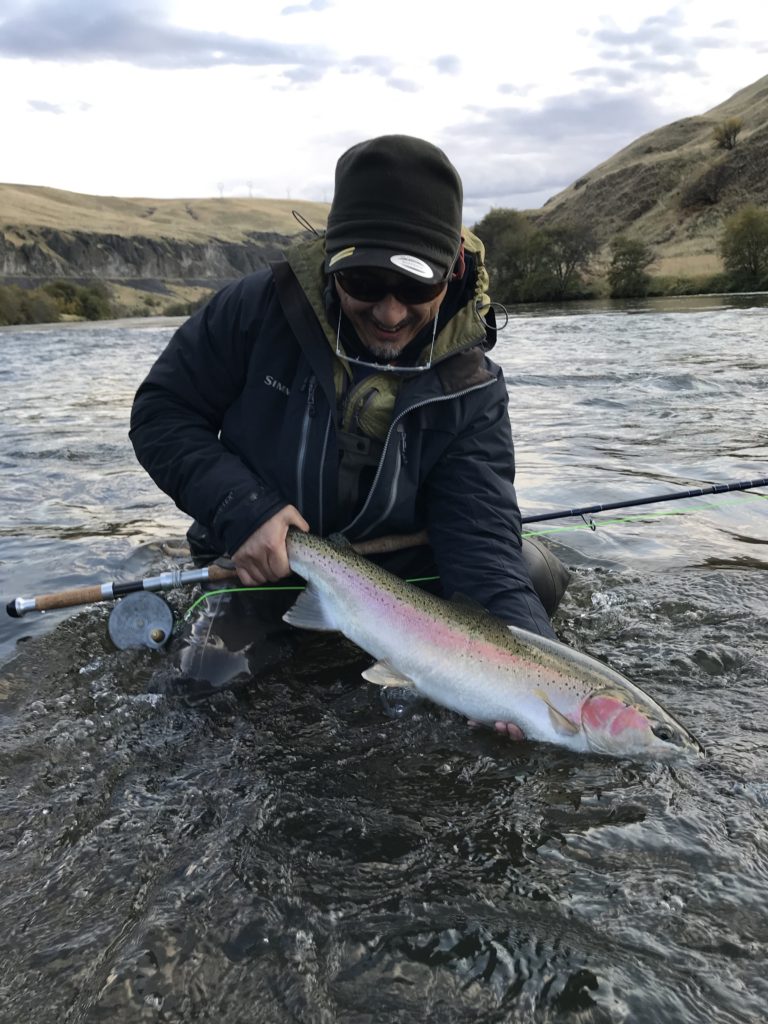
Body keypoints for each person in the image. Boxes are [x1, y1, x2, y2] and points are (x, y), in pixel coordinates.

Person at [130, 135, 568, 729]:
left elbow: (480, 538)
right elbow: (163, 411)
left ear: (454, 270)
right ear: (331, 258)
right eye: (363, 283)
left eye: (416, 288)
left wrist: (526, 689)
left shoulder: (472, 380)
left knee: (531, 578)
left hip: (406, 576)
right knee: (204, 691)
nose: (390, 313)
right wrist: (241, 507)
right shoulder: (257, 312)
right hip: (265, 564)